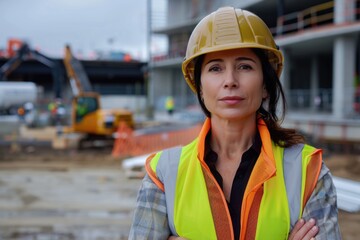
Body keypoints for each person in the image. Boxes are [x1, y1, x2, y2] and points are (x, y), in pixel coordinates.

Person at [129, 7, 340, 240]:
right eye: (215, 68)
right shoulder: (163, 173)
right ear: (199, 88)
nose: (230, 81)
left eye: (244, 66)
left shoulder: (308, 171)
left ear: (266, 86)